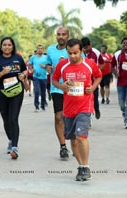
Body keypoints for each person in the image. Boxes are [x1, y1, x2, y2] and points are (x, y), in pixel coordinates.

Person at [52, 38, 102, 181]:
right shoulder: (62, 65)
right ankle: (81, 166)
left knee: (81, 136)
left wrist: (92, 88)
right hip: (68, 108)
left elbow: (98, 76)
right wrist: (62, 87)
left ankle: (86, 167)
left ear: (81, 51)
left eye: (75, 53)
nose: (73, 56)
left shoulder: (89, 64)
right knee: (73, 141)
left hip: (85, 106)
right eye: (70, 53)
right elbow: (54, 80)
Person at [0, 36, 27, 160]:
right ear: (1, 46)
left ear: (13, 46)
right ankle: (11, 139)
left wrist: (23, 76)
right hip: (2, 93)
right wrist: (2, 73)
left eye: (9, 45)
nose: (7, 47)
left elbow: (25, 71)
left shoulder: (18, 58)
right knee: (6, 119)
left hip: (17, 92)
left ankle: (15, 147)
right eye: (4, 45)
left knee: (14, 118)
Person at [45, 27, 70, 160]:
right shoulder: (50, 50)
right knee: (58, 117)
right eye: (59, 34)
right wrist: (49, 68)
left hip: (73, 89)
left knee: (72, 119)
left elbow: (83, 65)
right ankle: (63, 146)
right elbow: (48, 65)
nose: (61, 37)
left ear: (68, 36)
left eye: (63, 34)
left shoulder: (75, 48)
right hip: (57, 88)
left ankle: (75, 142)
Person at [81, 37, 104, 119]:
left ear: (90, 45)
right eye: (83, 48)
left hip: (93, 81)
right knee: (85, 100)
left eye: (87, 47)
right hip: (83, 80)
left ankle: (96, 109)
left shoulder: (96, 53)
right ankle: (87, 117)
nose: (85, 50)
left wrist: (96, 72)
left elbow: (102, 63)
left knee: (94, 98)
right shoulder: (80, 53)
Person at [28, 45, 48, 111]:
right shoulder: (33, 57)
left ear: (43, 50)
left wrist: (44, 66)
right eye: (38, 48)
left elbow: (49, 66)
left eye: (41, 48)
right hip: (36, 76)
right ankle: (36, 105)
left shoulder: (46, 57)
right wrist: (31, 69)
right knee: (36, 91)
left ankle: (42, 105)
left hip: (44, 77)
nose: (40, 50)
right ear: (36, 50)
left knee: (43, 92)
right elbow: (29, 64)